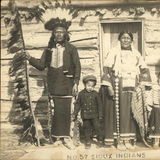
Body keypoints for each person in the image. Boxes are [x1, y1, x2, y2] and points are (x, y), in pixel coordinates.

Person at [22, 18, 81, 149]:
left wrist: (76, 82)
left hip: (67, 84)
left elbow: (77, 66)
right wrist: (30, 58)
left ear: (66, 34)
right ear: (53, 34)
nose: (59, 34)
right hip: (53, 85)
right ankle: (57, 137)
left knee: (66, 111)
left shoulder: (72, 49)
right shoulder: (48, 50)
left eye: (61, 32)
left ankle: (67, 138)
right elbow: (41, 65)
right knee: (55, 111)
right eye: (56, 32)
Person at [101, 31, 151, 150]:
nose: (125, 40)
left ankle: (128, 139)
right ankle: (119, 140)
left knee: (131, 112)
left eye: (128, 38)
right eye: (123, 38)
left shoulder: (136, 54)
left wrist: (143, 85)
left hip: (132, 86)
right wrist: (109, 86)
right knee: (119, 112)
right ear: (119, 39)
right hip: (118, 85)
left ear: (131, 40)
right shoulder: (113, 52)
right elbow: (106, 70)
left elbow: (144, 69)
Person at [73, 75, 103, 149]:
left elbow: (100, 105)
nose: (90, 87)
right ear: (85, 85)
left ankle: (100, 140)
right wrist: (75, 113)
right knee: (87, 128)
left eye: (92, 86)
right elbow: (78, 105)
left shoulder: (96, 94)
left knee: (97, 127)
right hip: (85, 115)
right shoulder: (81, 94)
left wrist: (100, 115)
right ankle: (88, 141)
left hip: (95, 115)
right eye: (88, 85)